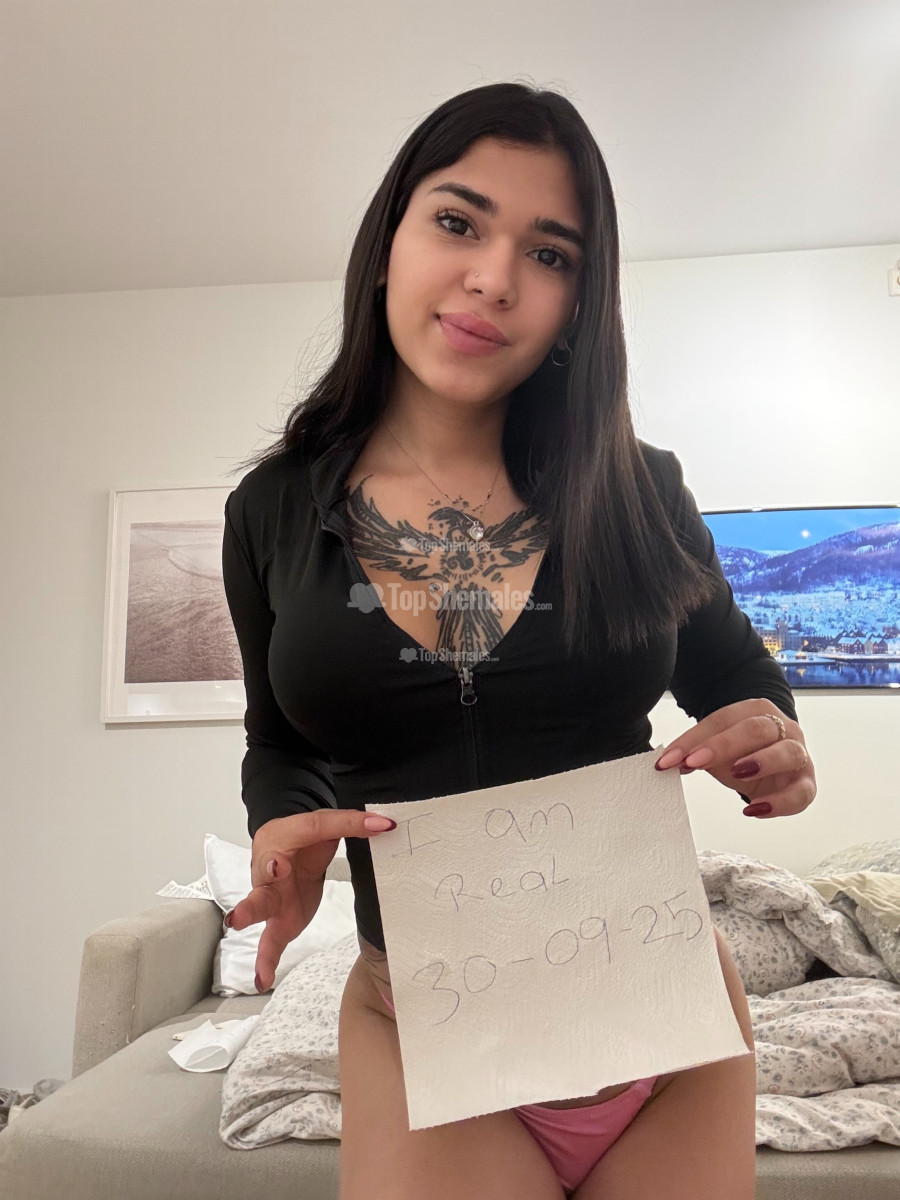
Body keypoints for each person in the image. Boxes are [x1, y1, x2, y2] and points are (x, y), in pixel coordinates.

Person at [221, 81, 816, 1200]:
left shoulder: (642, 488)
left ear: (581, 301)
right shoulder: (273, 509)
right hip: (418, 1025)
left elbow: (736, 678)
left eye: (550, 254)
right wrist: (277, 832)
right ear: (388, 242)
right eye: (459, 222)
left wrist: (773, 740)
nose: (495, 278)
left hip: (664, 1020)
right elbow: (278, 740)